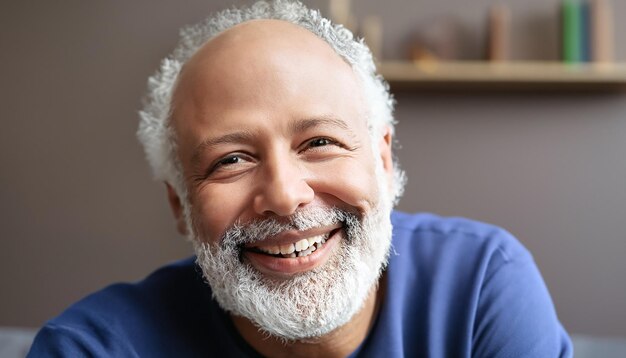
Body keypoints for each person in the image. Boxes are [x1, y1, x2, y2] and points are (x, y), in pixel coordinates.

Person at [28, 1, 573, 357]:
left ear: (382, 161)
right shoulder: (91, 349)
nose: (286, 197)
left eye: (319, 143)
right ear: (180, 205)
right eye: (230, 160)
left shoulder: (480, 286)